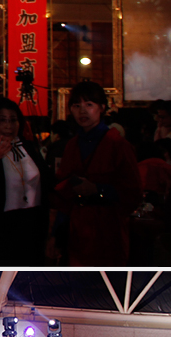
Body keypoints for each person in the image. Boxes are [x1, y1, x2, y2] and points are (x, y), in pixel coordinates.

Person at [54, 80, 141, 265]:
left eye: (89, 104)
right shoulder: (72, 145)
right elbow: (62, 193)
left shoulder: (118, 145)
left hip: (108, 229)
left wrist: (98, 189)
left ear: (101, 107)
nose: (82, 111)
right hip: (77, 230)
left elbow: (133, 193)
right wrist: (58, 233)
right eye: (76, 106)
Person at [0, 96, 50, 265]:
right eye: (2, 120)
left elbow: (46, 180)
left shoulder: (29, 147)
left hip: (32, 224)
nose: (8, 125)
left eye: (13, 120)